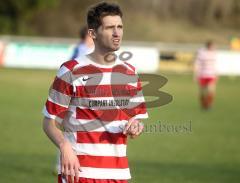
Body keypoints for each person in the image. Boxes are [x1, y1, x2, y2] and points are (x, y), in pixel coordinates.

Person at [42, 2, 148, 183]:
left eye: (120, 27)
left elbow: (136, 120)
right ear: (93, 34)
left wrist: (136, 126)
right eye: (109, 28)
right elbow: (48, 122)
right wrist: (64, 146)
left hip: (118, 174)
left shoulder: (130, 73)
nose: (117, 33)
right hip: (78, 173)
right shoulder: (70, 70)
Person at [194, 40, 218, 110]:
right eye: (212, 46)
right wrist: (195, 74)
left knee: (211, 90)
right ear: (208, 46)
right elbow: (197, 64)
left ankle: (209, 105)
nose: (213, 47)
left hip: (211, 75)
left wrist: (217, 73)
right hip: (202, 75)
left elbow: (215, 64)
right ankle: (203, 104)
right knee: (202, 91)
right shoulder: (201, 53)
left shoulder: (214, 53)